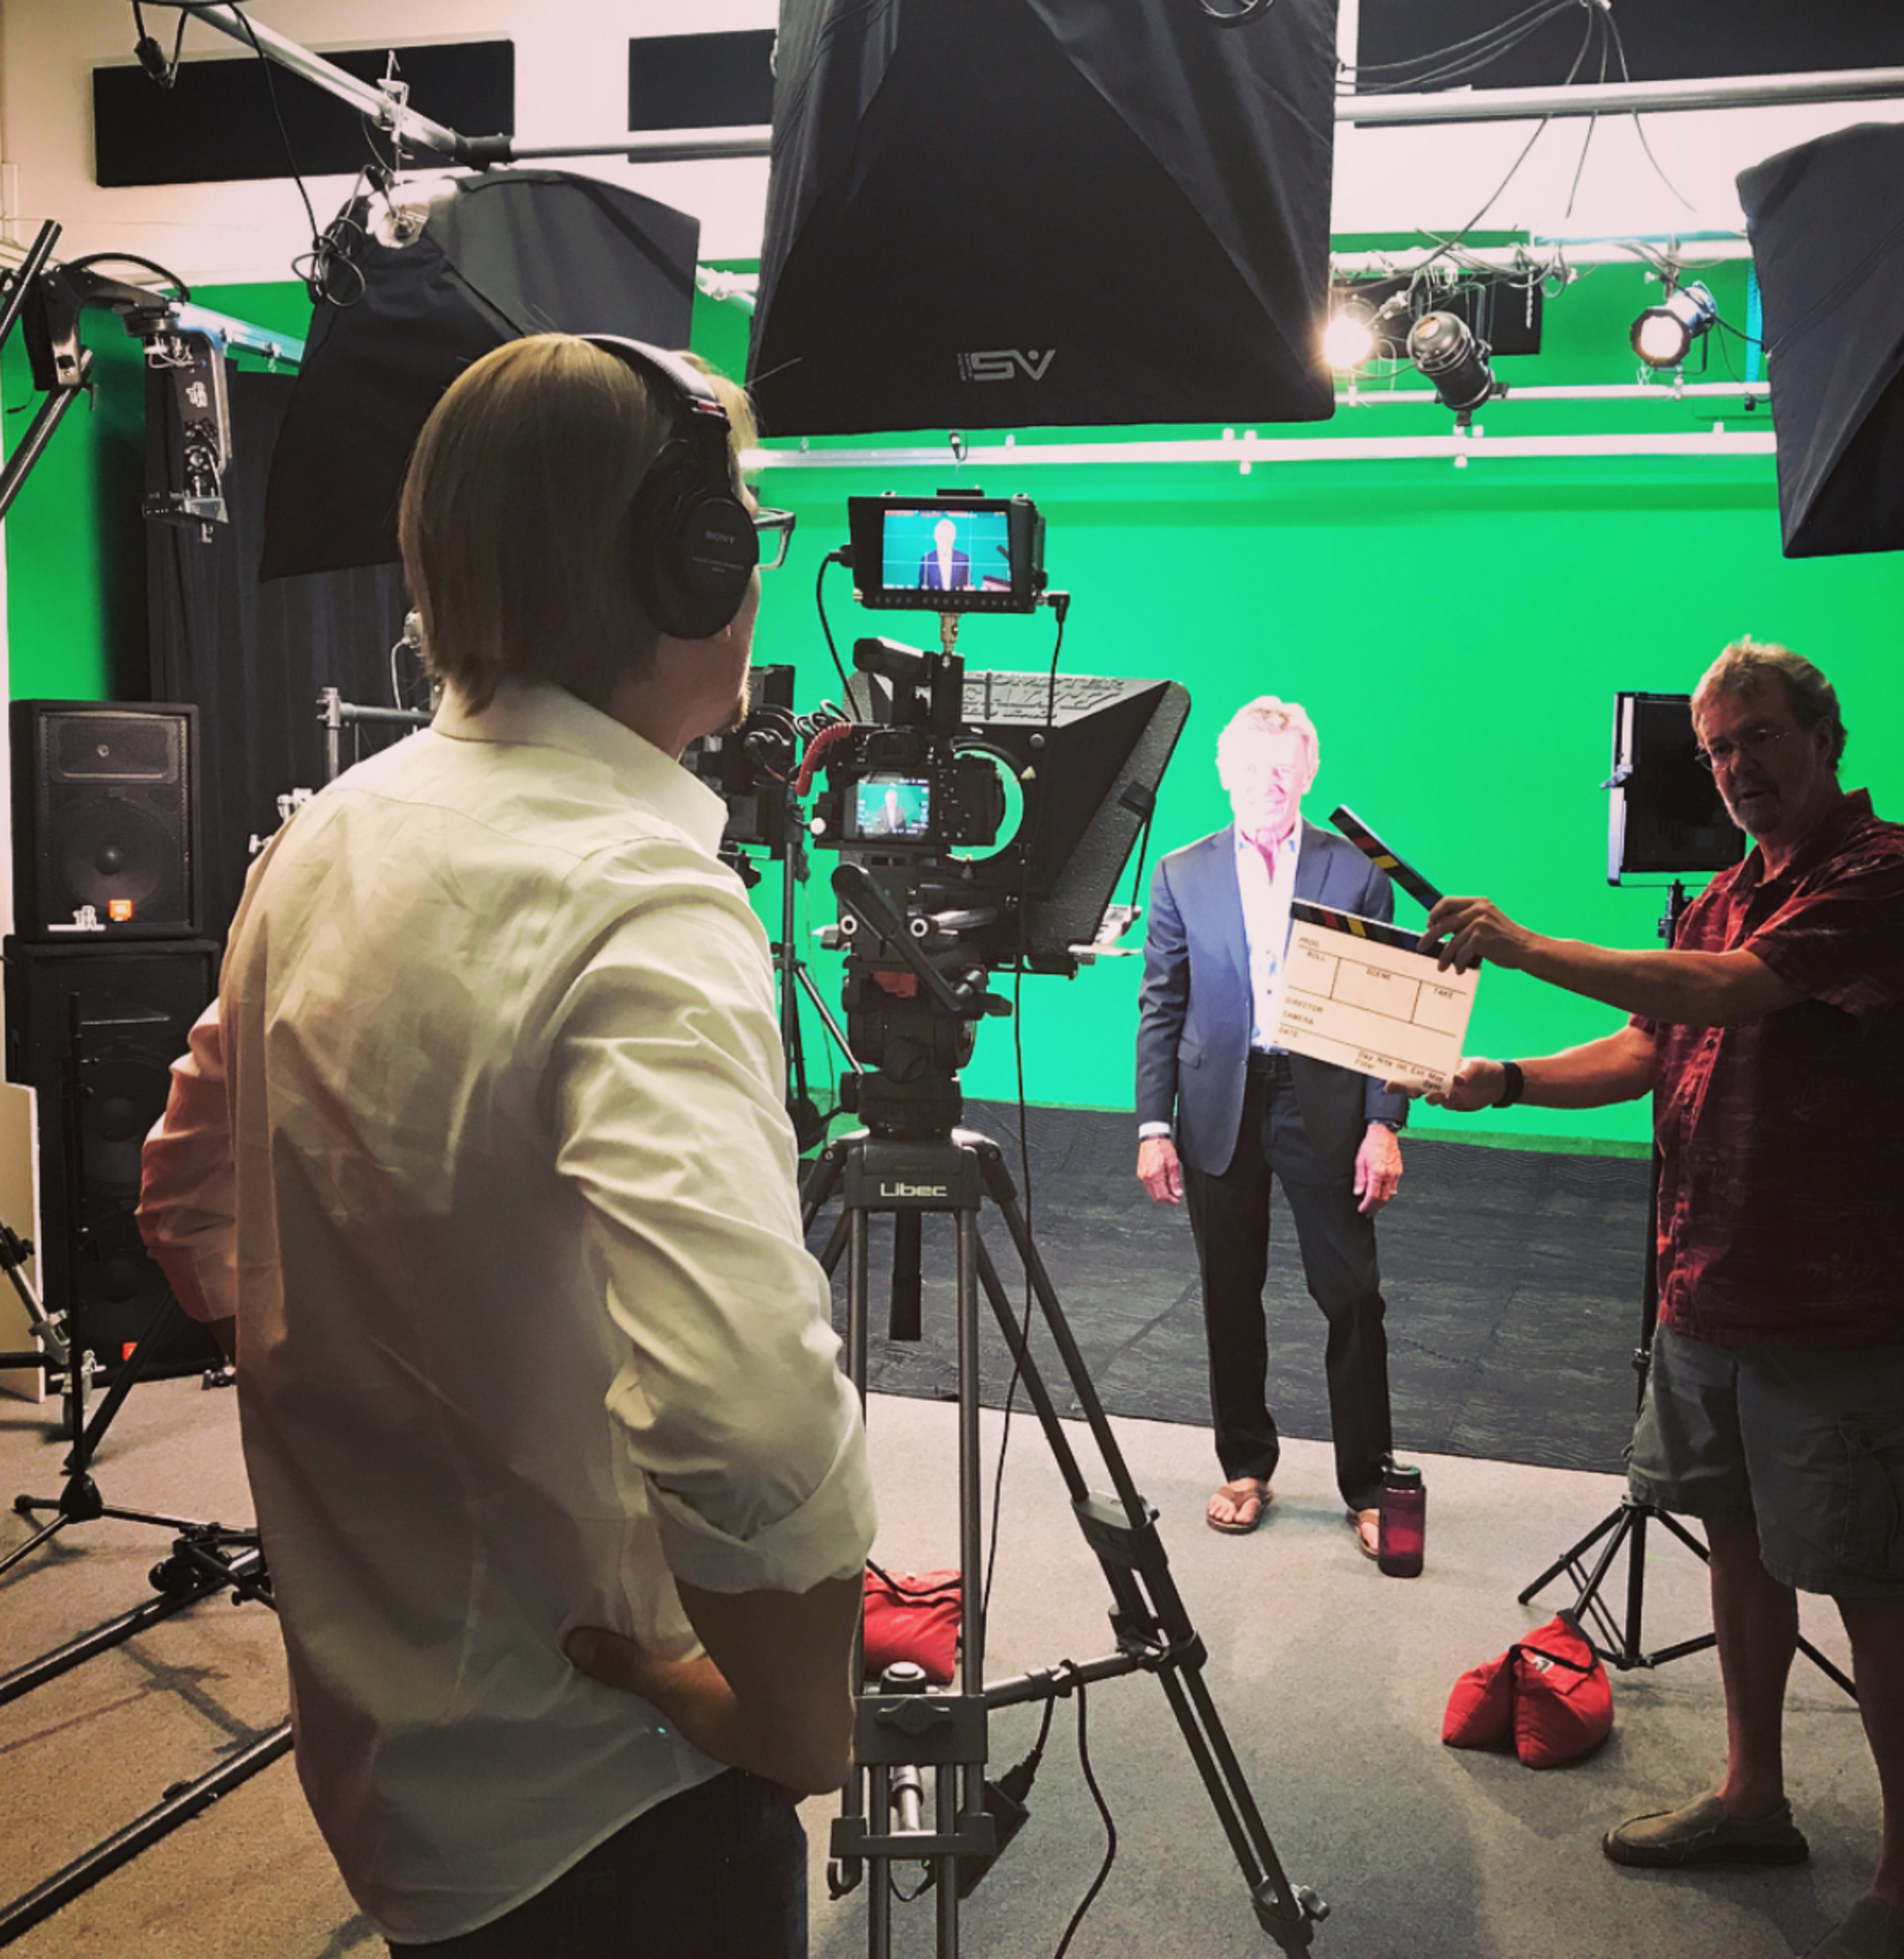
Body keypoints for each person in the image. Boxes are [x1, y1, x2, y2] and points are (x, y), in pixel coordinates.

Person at [137, 335, 876, 1959]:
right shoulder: (642, 896)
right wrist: (793, 1717)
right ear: (689, 565)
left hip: (391, 1764)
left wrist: (382, 1370)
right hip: (612, 1801)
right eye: (744, 527)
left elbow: (189, 1218)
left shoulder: (321, 836)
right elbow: (750, 1421)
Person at [1411, 640, 1904, 1959]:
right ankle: (1753, 1796)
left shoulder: (1878, 872)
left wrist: (1524, 945)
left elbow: (1732, 991)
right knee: (1735, 1544)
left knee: (1874, 1585)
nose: (1737, 767)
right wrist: (1509, 1078)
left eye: (1760, 737)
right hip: (1707, 1283)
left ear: (1825, 735)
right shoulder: (1718, 895)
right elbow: (1647, 1045)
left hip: (1832, 1303)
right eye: (1718, 748)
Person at [1134, 697, 1409, 1554]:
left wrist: (1384, 1123)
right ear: (1225, 774)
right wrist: (1153, 1126)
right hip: (1217, 1101)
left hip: (1322, 1100)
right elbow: (1161, 1005)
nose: (1270, 783)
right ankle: (1246, 1465)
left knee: (1353, 1295)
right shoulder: (1181, 873)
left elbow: (1386, 1009)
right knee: (1228, 1291)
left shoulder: (1357, 872)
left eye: (1285, 768)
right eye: (1253, 768)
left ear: (1309, 775)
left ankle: (1369, 1484)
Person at [917, 515, 970, 591]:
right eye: (942, 534)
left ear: (954, 537)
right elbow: (922, 588)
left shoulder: (963, 559)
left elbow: (967, 585)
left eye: (948, 534)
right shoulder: (926, 560)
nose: (946, 538)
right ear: (936, 537)